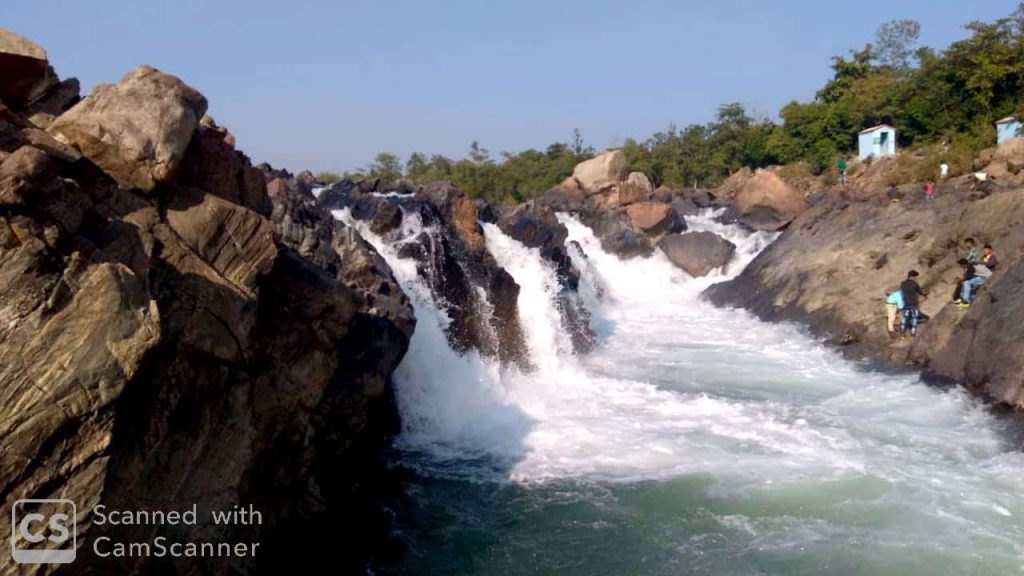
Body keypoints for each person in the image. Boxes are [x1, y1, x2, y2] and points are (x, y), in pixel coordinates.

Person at [900, 270, 926, 337]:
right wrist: (924, 295)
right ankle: (913, 332)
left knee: (905, 317)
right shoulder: (915, 284)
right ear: (912, 276)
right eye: (915, 277)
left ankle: (902, 331)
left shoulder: (903, 283)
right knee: (914, 317)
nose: (916, 278)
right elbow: (920, 292)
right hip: (913, 303)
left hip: (906, 303)